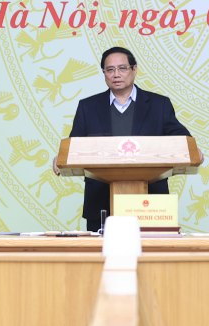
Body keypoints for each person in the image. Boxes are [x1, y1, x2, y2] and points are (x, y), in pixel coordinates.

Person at [69, 46, 190, 232]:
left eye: (122, 68)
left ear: (134, 69)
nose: (116, 74)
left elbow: (181, 138)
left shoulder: (159, 105)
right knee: (102, 260)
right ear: (104, 74)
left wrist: (193, 150)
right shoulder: (88, 107)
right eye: (110, 70)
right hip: (101, 204)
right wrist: (60, 158)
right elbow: (74, 148)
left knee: (153, 260)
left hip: (151, 205)